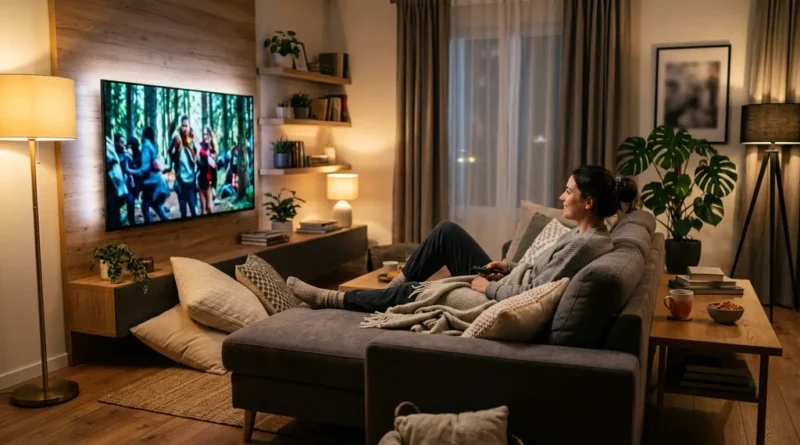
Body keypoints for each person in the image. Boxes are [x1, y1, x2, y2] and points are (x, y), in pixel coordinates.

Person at [287, 165, 639, 313]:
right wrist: (507, 265)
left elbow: (532, 294)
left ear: (589, 202)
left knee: (418, 292)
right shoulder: (588, 235)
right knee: (447, 231)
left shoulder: (587, 245)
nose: (562, 197)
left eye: (568, 191)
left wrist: (485, 287)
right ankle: (391, 287)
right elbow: (538, 272)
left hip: (500, 300)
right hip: (505, 281)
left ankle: (331, 299)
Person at [129, 128, 171, 223]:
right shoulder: (151, 146)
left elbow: (144, 168)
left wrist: (130, 171)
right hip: (156, 182)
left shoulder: (146, 146)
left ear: (144, 135)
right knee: (152, 205)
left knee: (148, 206)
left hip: (154, 183)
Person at [164, 116, 199, 218]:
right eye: (183, 125)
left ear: (189, 126)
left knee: (194, 211)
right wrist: (170, 167)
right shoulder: (176, 139)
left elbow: (198, 157)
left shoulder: (192, 140)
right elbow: (170, 153)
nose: (184, 128)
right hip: (181, 182)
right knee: (183, 211)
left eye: (186, 126)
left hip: (191, 181)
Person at [197, 126, 218, 215]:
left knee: (209, 207)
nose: (205, 136)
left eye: (207, 134)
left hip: (209, 183)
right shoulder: (200, 147)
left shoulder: (213, 149)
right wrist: (207, 157)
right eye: (204, 134)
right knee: (203, 208)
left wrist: (214, 186)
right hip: (200, 181)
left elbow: (214, 169)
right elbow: (200, 162)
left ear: (210, 135)